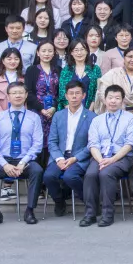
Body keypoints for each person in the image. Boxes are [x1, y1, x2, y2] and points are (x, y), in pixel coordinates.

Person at [0, 82, 44, 226]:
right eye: (14, 93)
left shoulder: (34, 117)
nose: (18, 95)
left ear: (26, 95)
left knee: (37, 171)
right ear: (8, 97)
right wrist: (5, 164)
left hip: (25, 160)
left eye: (21, 92)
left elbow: (37, 144)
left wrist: (23, 162)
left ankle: (30, 210)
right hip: (4, 160)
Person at [81, 84, 133, 228]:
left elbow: (129, 144)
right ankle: (90, 214)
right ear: (104, 100)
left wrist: (112, 160)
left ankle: (108, 214)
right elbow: (93, 144)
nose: (113, 101)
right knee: (90, 174)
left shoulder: (130, 118)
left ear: (122, 100)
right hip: (100, 157)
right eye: (110, 97)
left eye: (117, 98)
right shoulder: (97, 120)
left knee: (106, 173)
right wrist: (101, 160)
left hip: (121, 158)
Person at [44, 80, 95, 217]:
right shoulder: (58, 115)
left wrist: (75, 158)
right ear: (66, 96)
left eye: (77, 93)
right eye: (71, 93)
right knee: (48, 176)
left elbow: (92, 144)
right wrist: (59, 158)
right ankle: (59, 201)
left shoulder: (92, 117)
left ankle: (90, 202)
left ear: (83, 95)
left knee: (70, 176)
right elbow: (52, 141)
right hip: (60, 156)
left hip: (79, 157)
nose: (74, 96)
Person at [24, 40, 60, 160]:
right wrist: (41, 109)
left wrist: (54, 107)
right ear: (38, 53)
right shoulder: (31, 70)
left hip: (54, 112)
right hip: (36, 111)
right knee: (37, 140)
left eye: (50, 51)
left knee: (53, 140)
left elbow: (60, 93)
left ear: (54, 53)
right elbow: (28, 92)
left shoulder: (58, 70)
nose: (46, 54)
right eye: (43, 51)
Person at [94, 47, 133, 116]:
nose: (132, 60)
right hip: (114, 114)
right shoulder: (113, 74)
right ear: (124, 58)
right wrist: (116, 108)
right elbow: (101, 93)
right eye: (130, 57)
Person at [0, 48, 24, 127]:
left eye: (16, 59)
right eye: (9, 59)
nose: (13, 61)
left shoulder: (23, 80)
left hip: (19, 118)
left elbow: (26, 103)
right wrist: (5, 116)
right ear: (3, 61)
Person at [57, 40, 100, 110]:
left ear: (87, 51)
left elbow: (97, 91)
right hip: (68, 110)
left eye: (82, 49)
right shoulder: (66, 70)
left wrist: (88, 111)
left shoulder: (95, 69)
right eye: (76, 50)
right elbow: (62, 92)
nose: (79, 53)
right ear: (71, 52)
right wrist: (72, 111)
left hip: (90, 109)